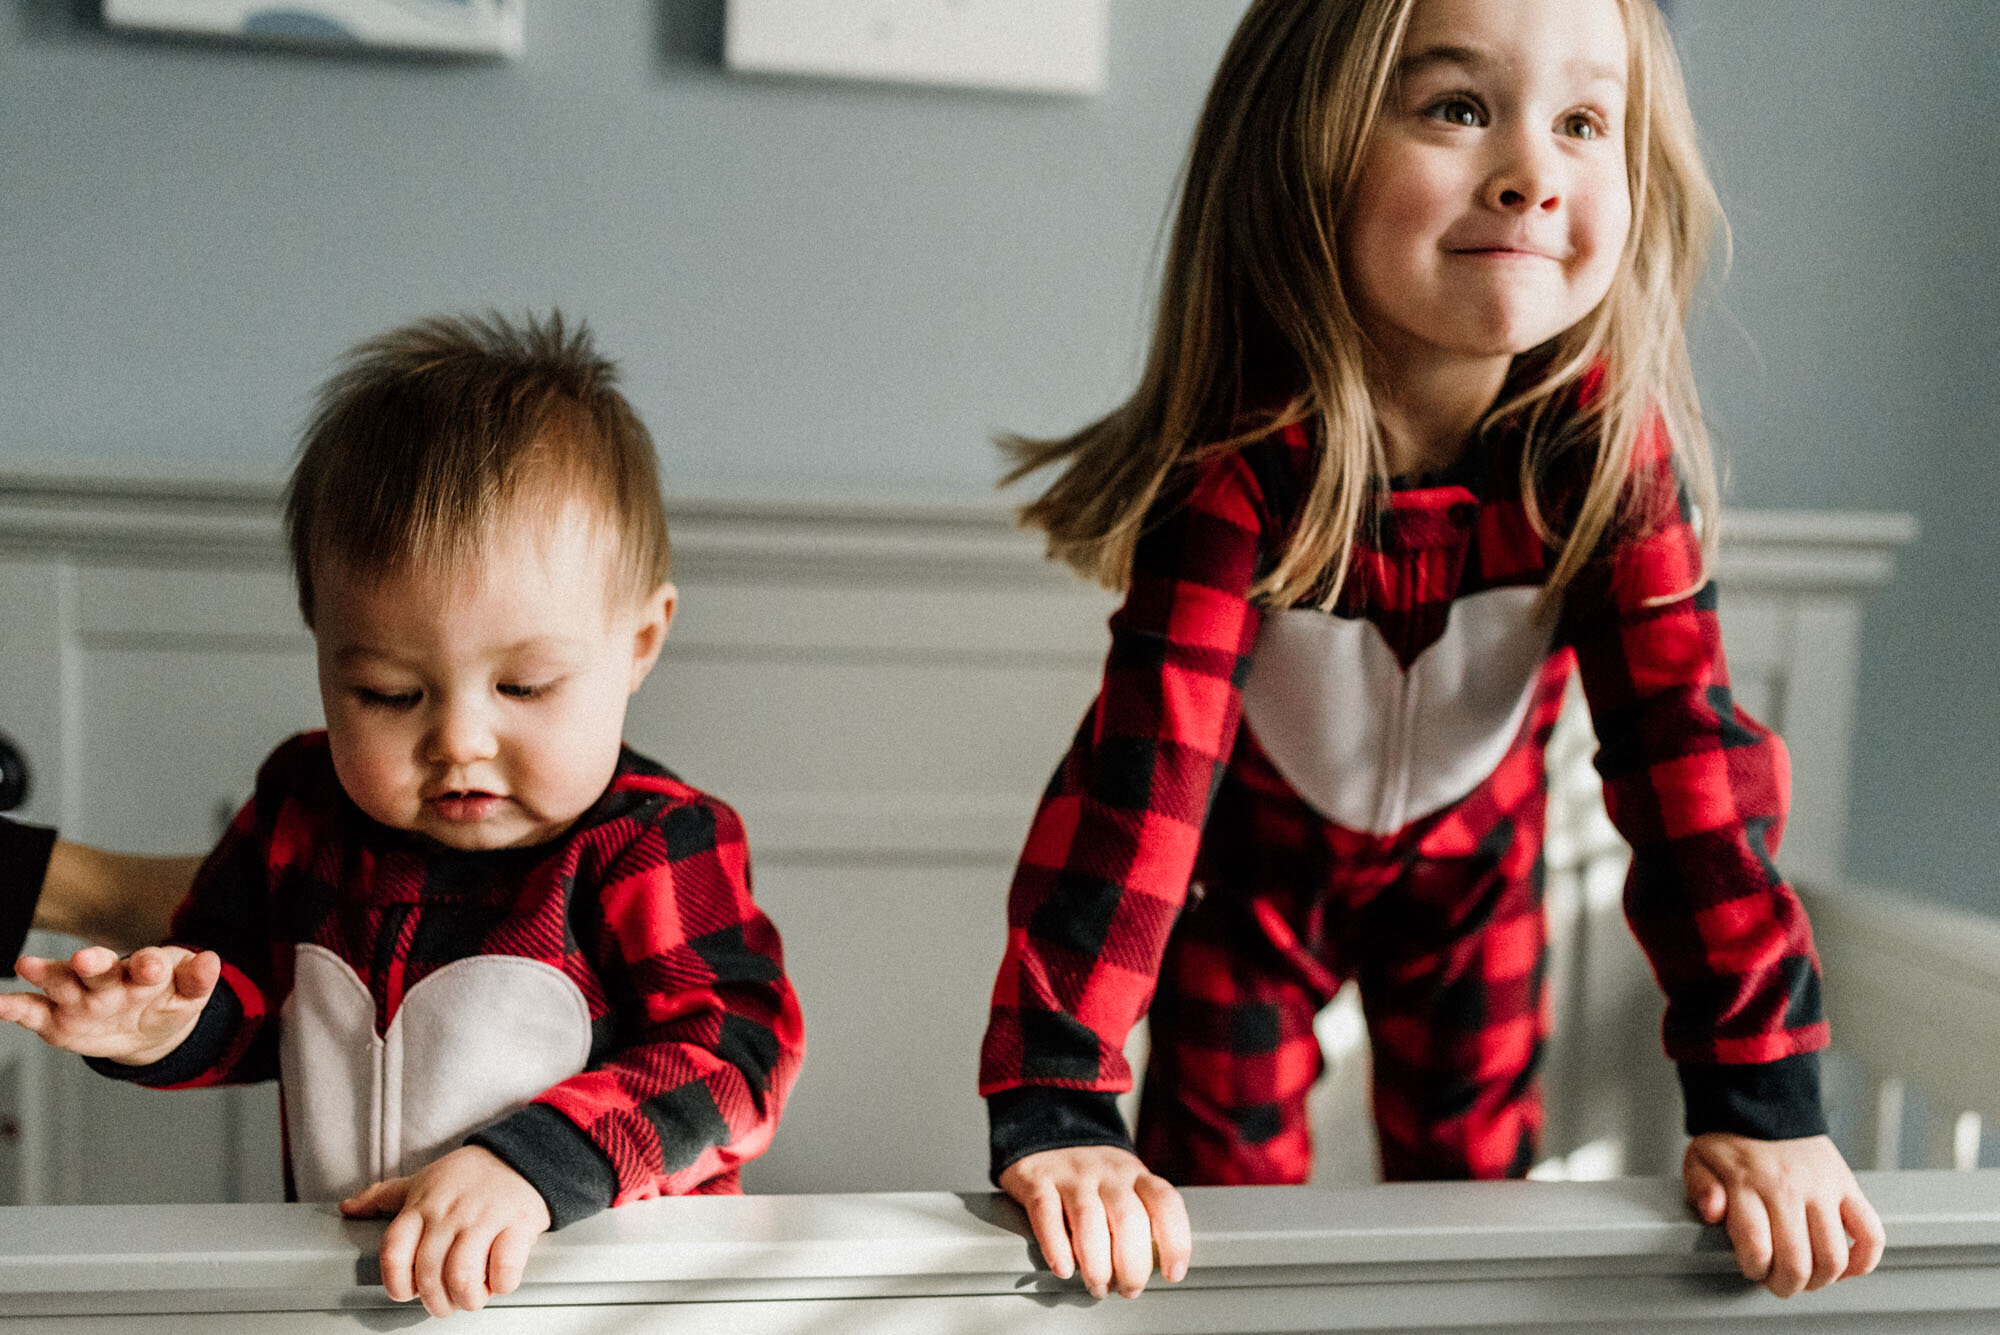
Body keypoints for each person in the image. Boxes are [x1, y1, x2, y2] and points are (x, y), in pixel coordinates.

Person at [978, 0, 1884, 1303]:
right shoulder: (1246, 472)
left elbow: (1688, 765)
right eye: (1458, 107)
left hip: (1474, 882)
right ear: (1310, 150)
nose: (1533, 170)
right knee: (1215, 1225)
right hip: (1253, 886)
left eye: (1583, 121)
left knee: (1477, 1216)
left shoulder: (1600, 460)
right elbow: (1141, 784)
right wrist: (1060, 1098)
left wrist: (1762, 1090)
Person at [0, 312, 805, 1319]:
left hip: (609, 1306)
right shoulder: (304, 807)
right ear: (322, 643)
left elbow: (736, 1057)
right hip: (356, 1295)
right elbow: (253, 1005)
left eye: (525, 687)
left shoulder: (648, 840)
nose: (458, 741)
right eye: (388, 693)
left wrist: (532, 1166)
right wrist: (161, 1024)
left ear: (639, 641)